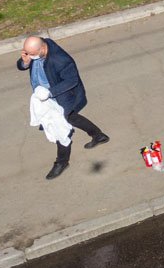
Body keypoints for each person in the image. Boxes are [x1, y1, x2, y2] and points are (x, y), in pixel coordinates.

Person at [16, 36, 109, 180]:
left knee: (59, 129)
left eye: (32, 54)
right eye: (27, 53)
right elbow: (22, 64)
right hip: (46, 98)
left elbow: (72, 81)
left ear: (42, 48)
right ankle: (98, 135)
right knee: (71, 117)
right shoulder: (36, 52)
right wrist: (25, 62)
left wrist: (50, 93)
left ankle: (62, 162)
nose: (30, 56)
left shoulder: (61, 60)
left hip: (62, 98)